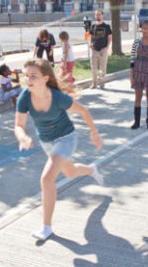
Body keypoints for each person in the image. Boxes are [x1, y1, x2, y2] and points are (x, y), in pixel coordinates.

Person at [15, 59, 104, 241]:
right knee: (70, 172)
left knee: (47, 178)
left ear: (45, 78)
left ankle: (46, 227)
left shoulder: (58, 97)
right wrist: (23, 136)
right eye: (26, 76)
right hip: (47, 142)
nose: (28, 79)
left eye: (33, 75)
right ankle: (91, 169)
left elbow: (83, 111)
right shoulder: (24, 97)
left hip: (66, 138)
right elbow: (18, 125)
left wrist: (94, 133)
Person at [89, 9, 112, 89]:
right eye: (96, 14)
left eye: (99, 14)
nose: (98, 16)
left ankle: (100, 82)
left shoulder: (106, 27)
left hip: (103, 50)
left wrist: (107, 47)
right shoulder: (93, 26)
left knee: (103, 69)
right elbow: (91, 36)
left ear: (102, 15)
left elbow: (109, 38)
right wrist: (90, 44)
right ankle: (94, 84)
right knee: (93, 69)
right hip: (94, 50)